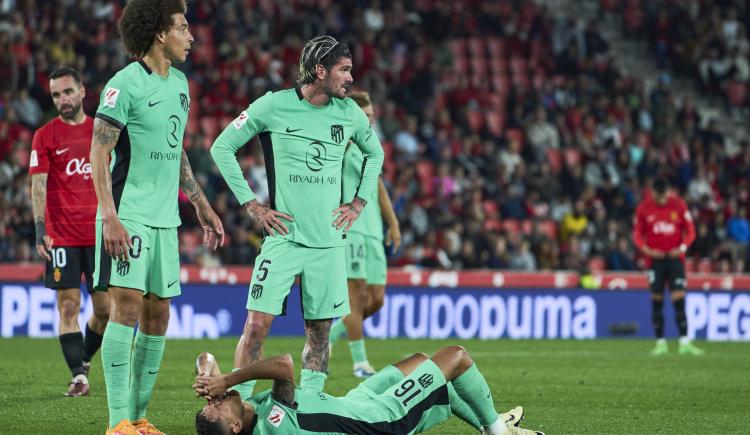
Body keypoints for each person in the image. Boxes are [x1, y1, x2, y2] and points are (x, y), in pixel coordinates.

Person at [210, 35, 384, 396]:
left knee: (319, 333)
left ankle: (309, 404)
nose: (351, 78)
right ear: (320, 71)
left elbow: (375, 155)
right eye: (344, 70)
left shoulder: (350, 113)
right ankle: (239, 403)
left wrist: (359, 202)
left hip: (328, 243)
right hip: (283, 239)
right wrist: (252, 205)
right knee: (256, 326)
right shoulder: (273, 106)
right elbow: (221, 146)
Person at [89, 1, 224, 433]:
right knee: (124, 309)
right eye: (184, 28)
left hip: (166, 217)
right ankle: (117, 424)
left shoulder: (181, 85)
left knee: (158, 315)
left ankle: (139, 418)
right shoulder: (124, 84)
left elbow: (176, 148)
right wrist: (109, 216)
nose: (191, 37)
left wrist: (199, 201)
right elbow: (99, 151)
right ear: (160, 34)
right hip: (128, 213)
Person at [192, 347, 542, 435]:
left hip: (356, 402)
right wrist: (226, 382)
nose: (220, 399)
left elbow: (206, 357)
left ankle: (490, 421)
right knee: (456, 358)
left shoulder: (246, 411)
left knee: (421, 361)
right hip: (379, 419)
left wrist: (208, 374)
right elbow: (284, 364)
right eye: (218, 408)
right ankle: (497, 429)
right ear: (236, 428)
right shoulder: (274, 423)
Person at [29, 66, 111, 397]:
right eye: (56, 95)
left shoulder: (102, 133)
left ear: (82, 91)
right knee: (68, 307)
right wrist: (39, 229)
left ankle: (84, 357)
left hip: (100, 235)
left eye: (67, 92)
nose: (62, 99)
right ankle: (79, 376)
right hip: (62, 235)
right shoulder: (45, 135)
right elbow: (37, 184)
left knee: (105, 310)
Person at [328, 90, 401, 378]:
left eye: (372, 116)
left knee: (377, 299)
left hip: (373, 231)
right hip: (352, 230)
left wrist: (392, 222)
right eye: (366, 116)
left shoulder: (371, 146)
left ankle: (332, 334)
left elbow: (379, 186)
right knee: (355, 297)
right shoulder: (341, 143)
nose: (370, 121)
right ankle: (360, 364)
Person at [633, 178, 702, 356]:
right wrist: (647, 250)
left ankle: (684, 342)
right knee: (657, 300)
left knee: (679, 299)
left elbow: (691, 231)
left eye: (664, 195)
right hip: (654, 261)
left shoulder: (678, 205)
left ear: (668, 192)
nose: (662, 199)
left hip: (675, 260)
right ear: (652, 192)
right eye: (658, 195)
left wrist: (681, 248)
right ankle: (660, 343)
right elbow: (637, 234)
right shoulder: (644, 207)